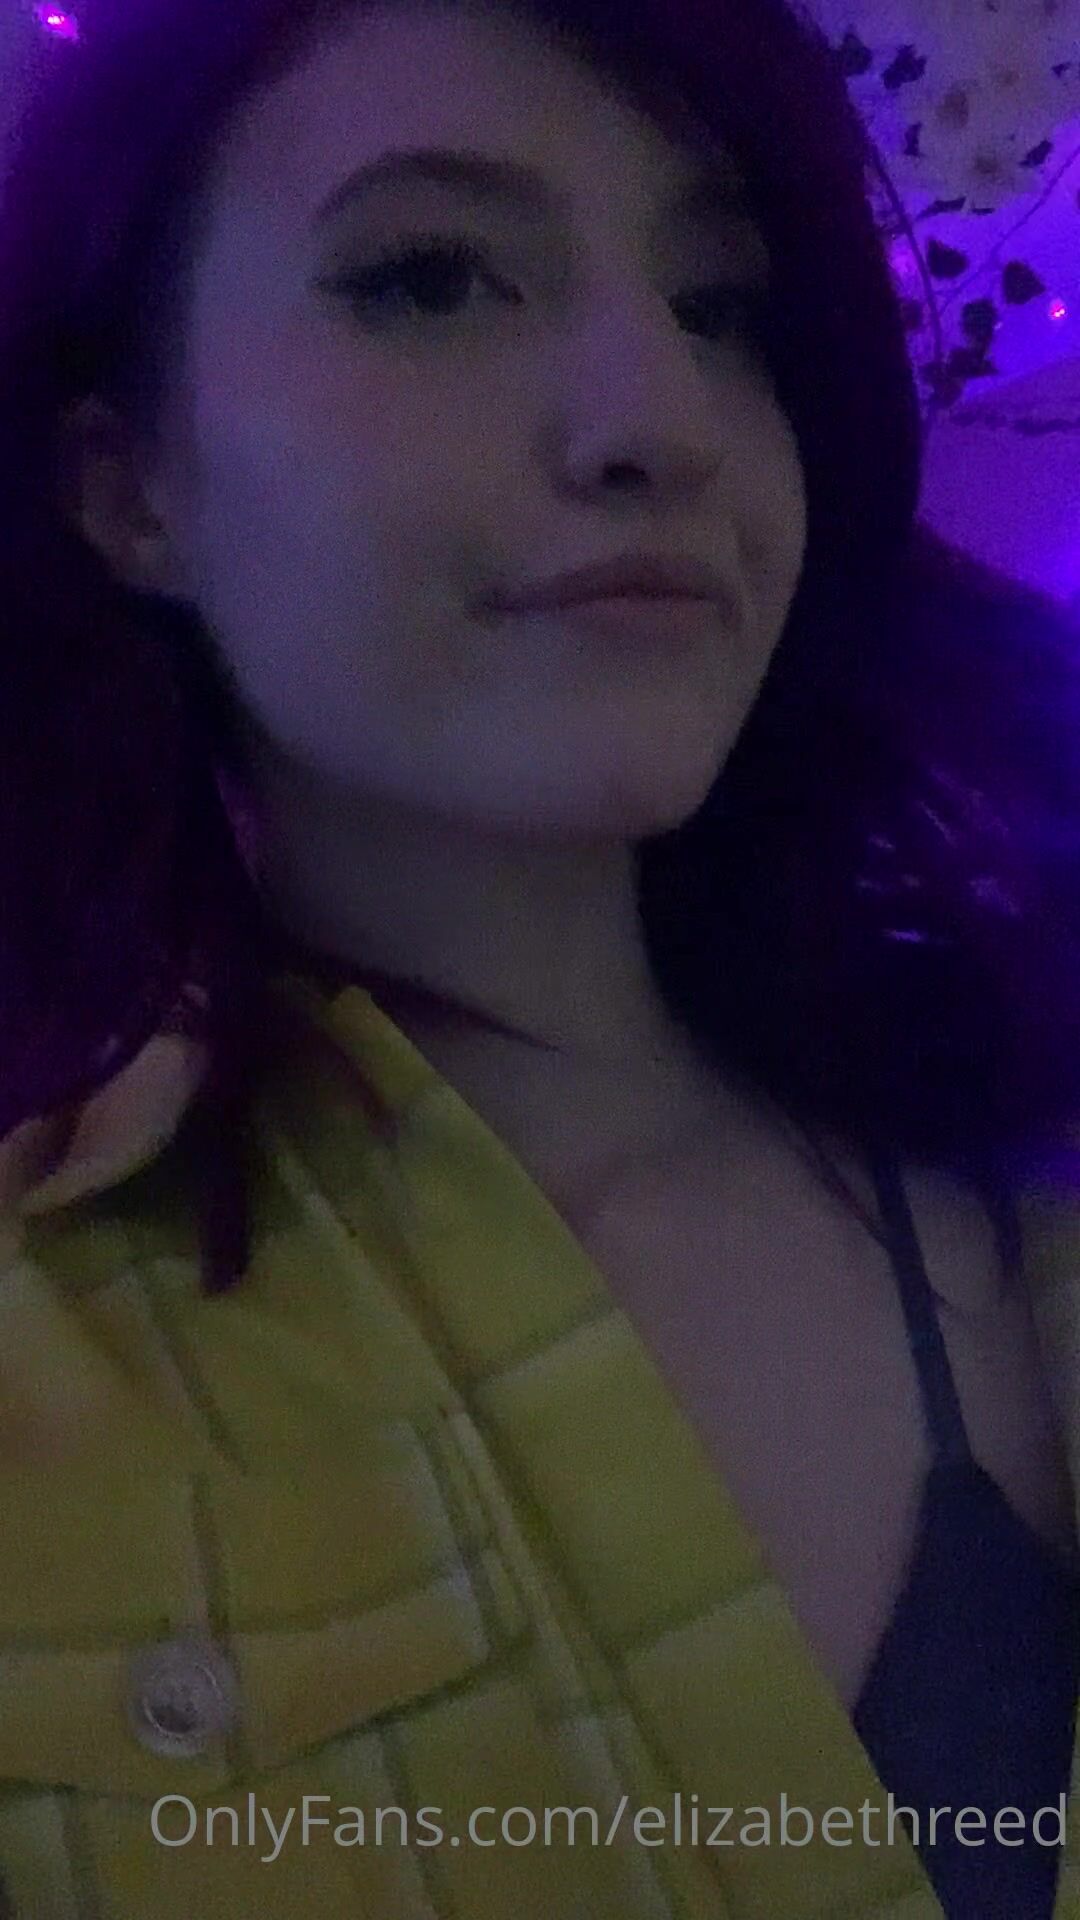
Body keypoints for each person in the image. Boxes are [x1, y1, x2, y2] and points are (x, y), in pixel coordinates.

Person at [0, 0, 1079, 1913]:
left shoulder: (1024, 1150)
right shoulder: (48, 1353)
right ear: (130, 487)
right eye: (429, 279)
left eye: (722, 307)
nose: (661, 418)